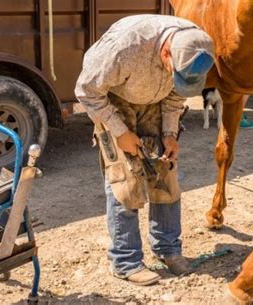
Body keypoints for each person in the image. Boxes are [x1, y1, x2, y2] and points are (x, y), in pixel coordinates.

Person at [75, 14, 214, 286]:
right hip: (113, 101)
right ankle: (125, 261)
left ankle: (168, 249)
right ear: (165, 52)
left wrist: (170, 135)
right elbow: (86, 91)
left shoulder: (198, 47)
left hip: (155, 101)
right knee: (125, 181)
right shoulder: (126, 47)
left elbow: (176, 94)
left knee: (166, 174)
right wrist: (120, 131)